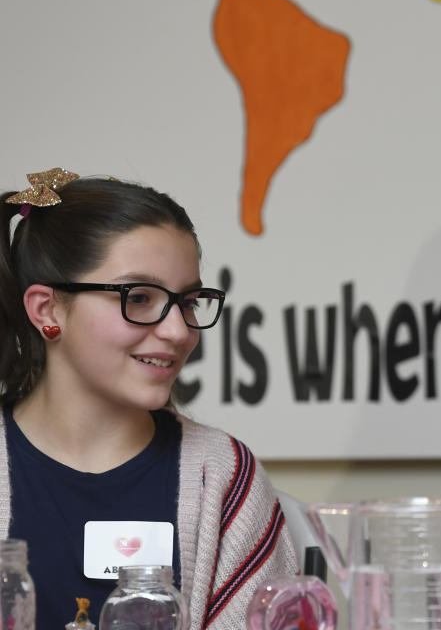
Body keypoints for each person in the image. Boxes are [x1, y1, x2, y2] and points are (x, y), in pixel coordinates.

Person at [0, 169, 298, 628]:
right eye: (138, 297)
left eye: (189, 302)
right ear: (47, 310)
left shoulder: (223, 477)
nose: (179, 331)